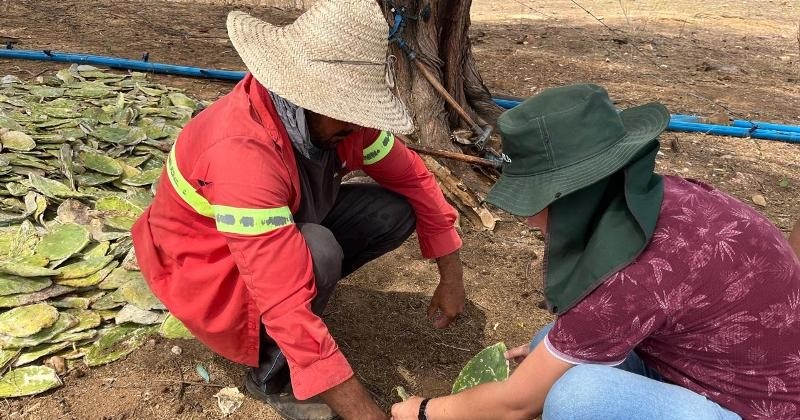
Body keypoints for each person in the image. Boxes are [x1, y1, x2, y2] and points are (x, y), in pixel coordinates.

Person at [131, 1, 466, 419]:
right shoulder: (242, 153)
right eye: (348, 113)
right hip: (205, 265)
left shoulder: (343, 125)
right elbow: (282, 298)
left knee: (391, 211)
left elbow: (414, 181)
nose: (360, 126)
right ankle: (269, 374)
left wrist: (452, 277)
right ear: (304, 95)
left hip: (272, 225)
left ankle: (309, 285)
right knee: (317, 251)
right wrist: (367, 414)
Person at [391, 84, 800, 420]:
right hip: (727, 369)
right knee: (547, 344)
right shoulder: (662, 197)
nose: (529, 219)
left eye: (536, 201)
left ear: (573, 195)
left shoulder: (629, 270)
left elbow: (518, 404)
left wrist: (423, 410)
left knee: (579, 397)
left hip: (757, 410)